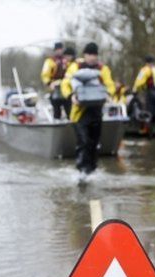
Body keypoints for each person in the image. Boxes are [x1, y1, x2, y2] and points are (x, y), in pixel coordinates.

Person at [61, 42, 116, 177]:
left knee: (94, 143)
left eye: (95, 55)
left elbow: (110, 85)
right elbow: (65, 84)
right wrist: (71, 96)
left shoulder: (103, 69)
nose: (92, 57)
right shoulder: (75, 67)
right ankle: (81, 171)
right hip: (79, 113)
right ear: (85, 55)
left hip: (96, 111)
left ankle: (92, 170)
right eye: (90, 54)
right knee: (83, 141)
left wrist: (109, 94)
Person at [41, 42, 70, 120]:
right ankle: (57, 123)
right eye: (58, 49)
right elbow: (45, 75)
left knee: (68, 108)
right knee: (56, 109)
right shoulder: (50, 61)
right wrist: (50, 83)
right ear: (55, 50)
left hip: (66, 88)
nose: (59, 51)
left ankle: (69, 124)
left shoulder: (67, 60)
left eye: (61, 49)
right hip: (54, 89)